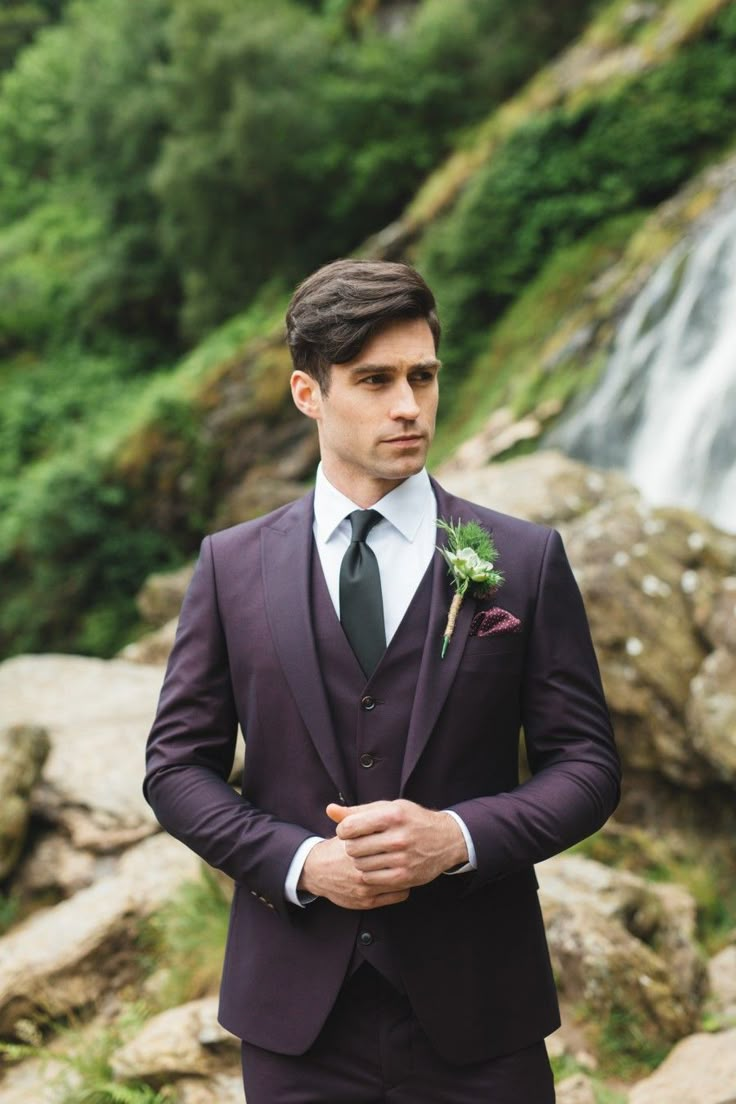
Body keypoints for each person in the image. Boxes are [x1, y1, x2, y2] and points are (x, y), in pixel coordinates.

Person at [144, 258, 620, 1103]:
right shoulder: (230, 566)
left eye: (422, 377)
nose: (408, 405)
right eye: (374, 380)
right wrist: (297, 861)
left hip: (482, 1014)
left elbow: (587, 767)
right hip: (296, 1024)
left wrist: (458, 838)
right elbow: (177, 770)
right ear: (308, 393)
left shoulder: (522, 559)